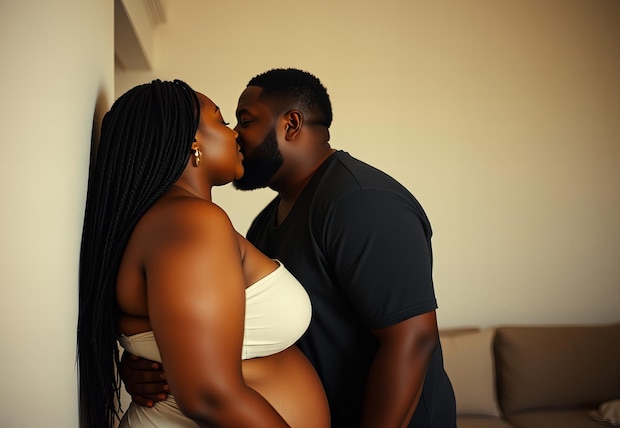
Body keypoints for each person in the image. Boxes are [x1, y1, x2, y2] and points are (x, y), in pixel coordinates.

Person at [122, 69, 457, 427]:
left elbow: (413, 339)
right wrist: (149, 361)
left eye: (244, 121)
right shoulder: (265, 220)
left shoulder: (362, 203)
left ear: (291, 124)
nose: (235, 134)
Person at [77, 79, 330, 428]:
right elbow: (208, 396)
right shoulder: (192, 222)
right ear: (193, 142)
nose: (236, 135)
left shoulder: (174, 221)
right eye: (223, 122)